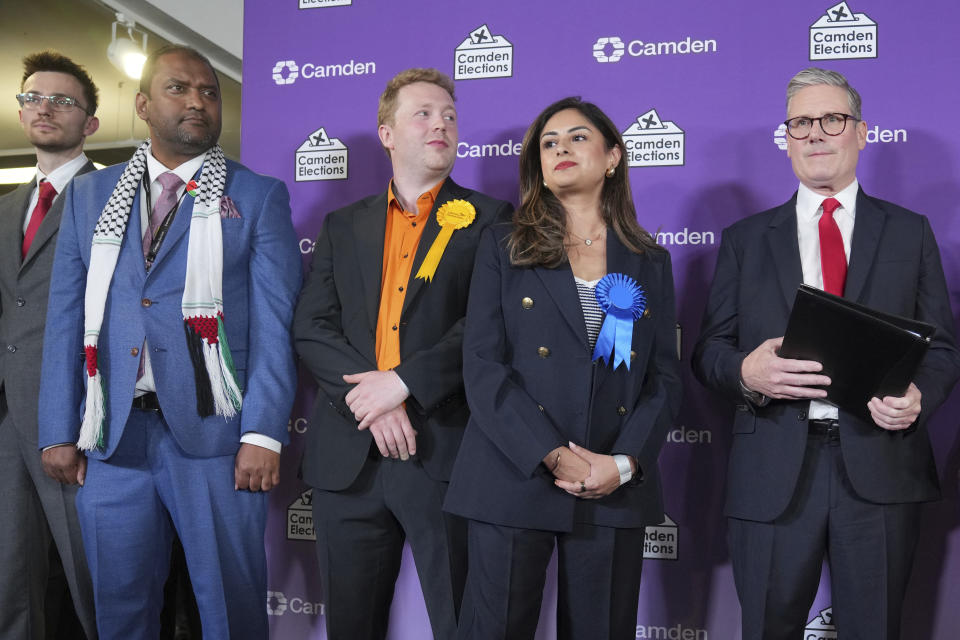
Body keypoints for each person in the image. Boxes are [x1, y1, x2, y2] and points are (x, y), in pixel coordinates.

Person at [38, 45, 301, 639]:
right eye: (179, 89)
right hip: (111, 443)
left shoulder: (257, 197)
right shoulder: (88, 197)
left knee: (230, 613)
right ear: (143, 106)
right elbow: (64, 317)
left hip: (216, 441)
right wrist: (57, 427)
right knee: (120, 613)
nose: (198, 102)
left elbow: (274, 327)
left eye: (209, 91)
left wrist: (262, 433)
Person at [691, 68, 960, 640]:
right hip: (772, 473)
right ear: (786, 138)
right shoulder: (745, 238)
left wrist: (917, 398)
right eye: (800, 123)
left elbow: (943, 349)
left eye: (832, 119)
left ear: (861, 133)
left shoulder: (910, 232)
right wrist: (746, 370)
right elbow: (709, 351)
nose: (815, 133)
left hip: (882, 468)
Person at [444, 96, 682, 640]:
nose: (560, 149)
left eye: (577, 137)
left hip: (610, 483)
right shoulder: (502, 246)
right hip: (514, 470)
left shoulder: (650, 260)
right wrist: (552, 454)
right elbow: (482, 365)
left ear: (613, 157)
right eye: (548, 144)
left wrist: (621, 464)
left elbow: (662, 378)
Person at [293, 67, 511, 639]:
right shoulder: (342, 225)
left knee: (462, 622)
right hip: (350, 457)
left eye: (450, 116)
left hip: (444, 452)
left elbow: (488, 326)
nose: (440, 123)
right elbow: (313, 326)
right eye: (423, 113)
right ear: (387, 133)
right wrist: (374, 398)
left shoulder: (494, 220)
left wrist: (405, 383)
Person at [0, 50, 99, 640]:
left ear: (90, 122)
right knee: (13, 578)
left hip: (79, 417)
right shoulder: (8, 206)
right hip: (8, 416)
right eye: (33, 97)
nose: (45, 108)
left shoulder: (115, 194)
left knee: (94, 578)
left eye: (63, 101)